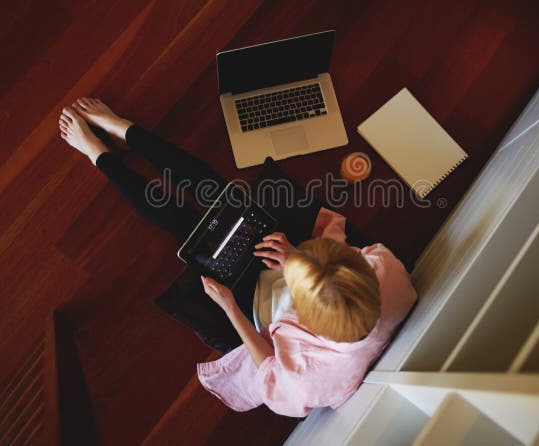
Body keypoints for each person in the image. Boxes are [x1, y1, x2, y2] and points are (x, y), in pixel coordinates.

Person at [59, 98, 418, 417]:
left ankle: (99, 156)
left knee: (182, 223)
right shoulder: (389, 272)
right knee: (213, 188)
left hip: (253, 302)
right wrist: (295, 255)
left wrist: (230, 308)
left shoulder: (308, 383)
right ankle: (126, 131)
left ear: (305, 318)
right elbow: (344, 252)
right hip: (289, 258)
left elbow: (267, 369)